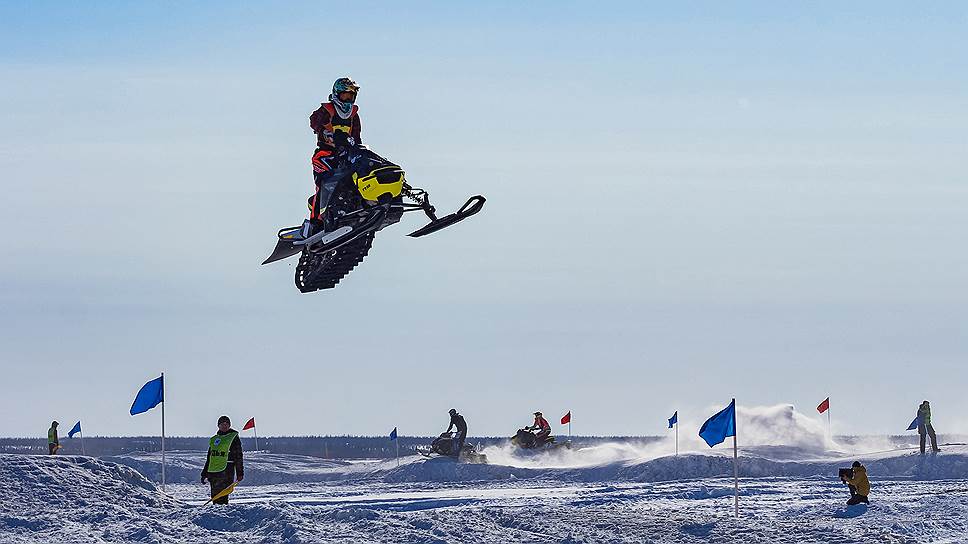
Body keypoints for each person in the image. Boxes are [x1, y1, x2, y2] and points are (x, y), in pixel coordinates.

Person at [307, 77, 363, 231]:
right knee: (323, 185)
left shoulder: (354, 115)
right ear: (337, 94)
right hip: (325, 155)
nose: (348, 99)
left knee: (357, 177)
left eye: (351, 96)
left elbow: (357, 136)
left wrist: (358, 149)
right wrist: (324, 131)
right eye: (345, 95)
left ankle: (357, 208)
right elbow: (313, 120)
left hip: (347, 155)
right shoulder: (326, 110)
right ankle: (315, 222)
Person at [201, 415, 244, 505]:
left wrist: (240, 472)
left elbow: (238, 456)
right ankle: (215, 516)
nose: (224, 425)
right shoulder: (214, 439)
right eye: (222, 424)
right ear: (218, 425)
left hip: (226, 470)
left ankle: (223, 515)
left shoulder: (233, 437)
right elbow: (209, 457)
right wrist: (204, 473)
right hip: (213, 472)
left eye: (227, 424)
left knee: (223, 496)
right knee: (215, 497)